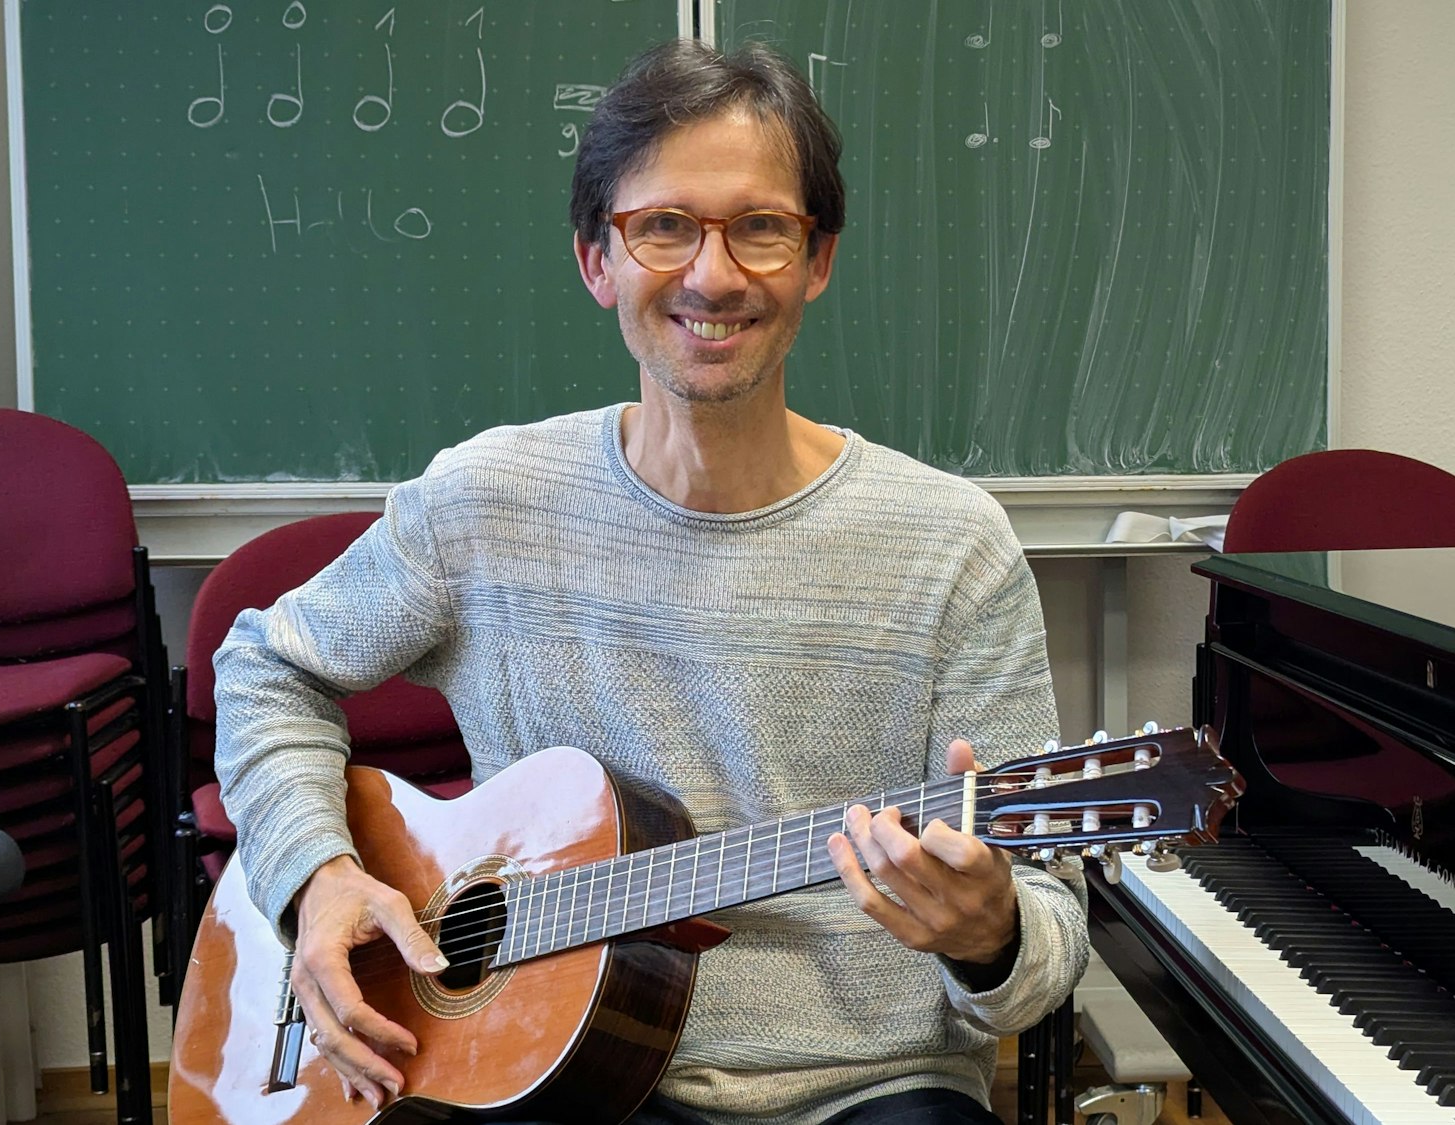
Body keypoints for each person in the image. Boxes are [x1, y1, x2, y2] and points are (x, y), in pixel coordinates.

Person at [213, 37, 1088, 1125]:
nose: (712, 276)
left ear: (816, 260)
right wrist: (316, 876)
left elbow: (1049, 935)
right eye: (663, 227)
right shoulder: (486, 501)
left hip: (862, 1086)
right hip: (540, 1067)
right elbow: (264, 668)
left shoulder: (951, 546)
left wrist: (991, 933)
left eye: (760, 228)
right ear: (597, 260)